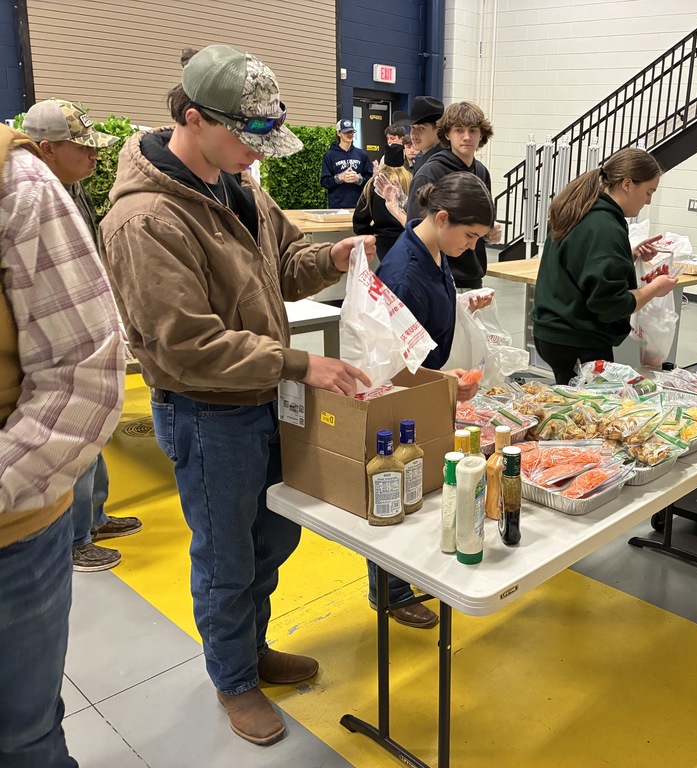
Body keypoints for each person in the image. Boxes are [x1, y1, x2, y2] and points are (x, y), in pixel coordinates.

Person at [99, 44, 373, 746]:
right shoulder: (146, 220)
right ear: (194, 118)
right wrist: (298, 365)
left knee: (272, 535)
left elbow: (283, 265)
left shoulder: (240, 186)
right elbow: (186, 345)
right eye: (247, 140)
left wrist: (333, 256)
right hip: (209, 413)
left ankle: (252, 648)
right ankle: (233, 677)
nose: (257, 157)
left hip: (265, 399)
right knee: (226, 555)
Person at [0, 124, 124, 768]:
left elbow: (81, 375)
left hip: (14, 518)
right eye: (83, 146)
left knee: (23, 737)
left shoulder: (25, 187)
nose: (93, 156)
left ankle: (86, 528)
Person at [22, 97, 142, 573]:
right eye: (83, 147)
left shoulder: (72, 189)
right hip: (55, 346)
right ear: (47, 149)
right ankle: (73, 540)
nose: (94, 155)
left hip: (86, 333)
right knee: (71, 438)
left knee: (93, 433)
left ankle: (93, 519)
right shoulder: (31, 200)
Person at [369, 172, 492, 627]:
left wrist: (461, 307)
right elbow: (393, 365)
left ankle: (403, 581)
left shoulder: (433, 251)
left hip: (425, 388)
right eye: (470, 236)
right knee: (395, 485)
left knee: (417, 484)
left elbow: (425, 324)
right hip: (401, 397)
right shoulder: (403, 273)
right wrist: (443, 380)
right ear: (441, 218)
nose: (472, 247)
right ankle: (390, 590)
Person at [531, 147, 674, 385]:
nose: (648, 201)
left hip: (552, 333)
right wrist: (655, 288)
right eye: (648, 192)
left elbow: (582, 261)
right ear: (627, 184)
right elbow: (610, 305)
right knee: (590, 406)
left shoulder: (580, 208)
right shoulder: (606, 226)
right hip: (578, 340)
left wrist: (627, 254)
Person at [406, 101, 501, 290]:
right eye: (459, 130)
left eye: (473, 130)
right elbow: (416, 234)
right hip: (440, 279)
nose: (467, 137)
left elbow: (480, 222)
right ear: (448, 134)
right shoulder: (430, 173)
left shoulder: (481, 172)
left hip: (473, 276)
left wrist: (489, 232)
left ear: (481, 134)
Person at [353, 143, 410, 262]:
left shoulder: (375, 182)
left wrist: (372, 234)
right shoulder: (411, 179)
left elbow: (360, 217)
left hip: (383, 240)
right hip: (408, 237)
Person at [320, 118, 372, 209]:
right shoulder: (329, 155)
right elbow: (324, 182)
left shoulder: (361, 154)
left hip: (359, 204)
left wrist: (358, 179)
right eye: (346, 132)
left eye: (351, 132)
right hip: (337, 205)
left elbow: (370, 180)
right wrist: (340, 177)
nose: (350, 134)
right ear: (338, 133)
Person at [394, 95, 444, 174]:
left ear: (438, 130)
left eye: (421, 128)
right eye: (413, 127)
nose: (414, 134)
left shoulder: (437, 165)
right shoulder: (424, 160)